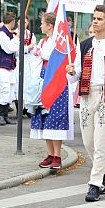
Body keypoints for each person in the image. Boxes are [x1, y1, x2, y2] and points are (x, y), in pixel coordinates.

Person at [66, 5, 105, 202]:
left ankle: (94, 184)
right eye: (94, 18)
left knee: (101, 141)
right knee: (88, 141)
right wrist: (71, 72)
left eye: (100, 19)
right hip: (86, 95)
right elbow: (76, 74)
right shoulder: (84, 45)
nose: (95, 21)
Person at [30, 12, 73, 170]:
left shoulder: (59, 41)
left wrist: (40, 53)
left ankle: (57, 155)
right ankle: (49, 153)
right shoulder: (43, 41)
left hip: (56, 79)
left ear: (49, 25)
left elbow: (51, 55)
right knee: (44, 116)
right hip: (43, 77)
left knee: (55, 116)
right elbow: (36, 57)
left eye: (42, 23)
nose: (40, 26)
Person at [0, 12, 19, 126]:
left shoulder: (7, 33)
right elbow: (9, 48)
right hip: (2, 64)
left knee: (11, 88)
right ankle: (0, 115)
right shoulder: (1, 33)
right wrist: (16, 38)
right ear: (12, 22)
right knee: (5, 88)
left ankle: (5, 115)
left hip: (9, 64)